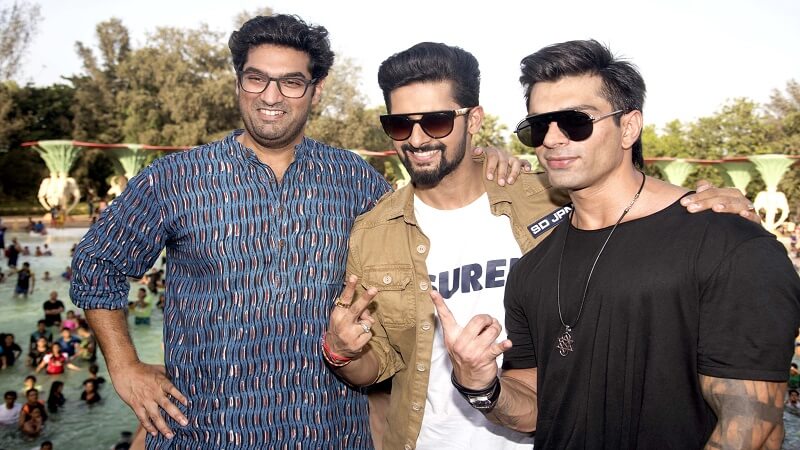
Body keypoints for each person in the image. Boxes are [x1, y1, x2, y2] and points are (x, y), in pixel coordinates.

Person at [69, 14, 526, 449]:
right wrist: (124, 367)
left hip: (331, 433)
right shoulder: (176, 178)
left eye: (291, 82)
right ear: (238, 82)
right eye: (256, 78)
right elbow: (96, 264)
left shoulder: (354, 179)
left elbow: (428, 203)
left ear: (316, 89)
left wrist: (482, 158)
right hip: (207, 432)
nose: (271, 96)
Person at [324, 42, 759, 450]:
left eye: (436, 121)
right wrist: (342, 352)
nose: (417, 139)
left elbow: (626, 193)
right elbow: (378, 365)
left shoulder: (548, 197)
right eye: (400, 124)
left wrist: (710, 204)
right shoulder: (373, 231)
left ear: (473, 120)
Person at [439, 39, 800, 449]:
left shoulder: (726, 242)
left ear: (628, 127)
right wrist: (482, 386)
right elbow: (538, 406)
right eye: (538, 126)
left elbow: (752, 426)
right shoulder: (532, 269)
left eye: (575, 121)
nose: (552, 139)